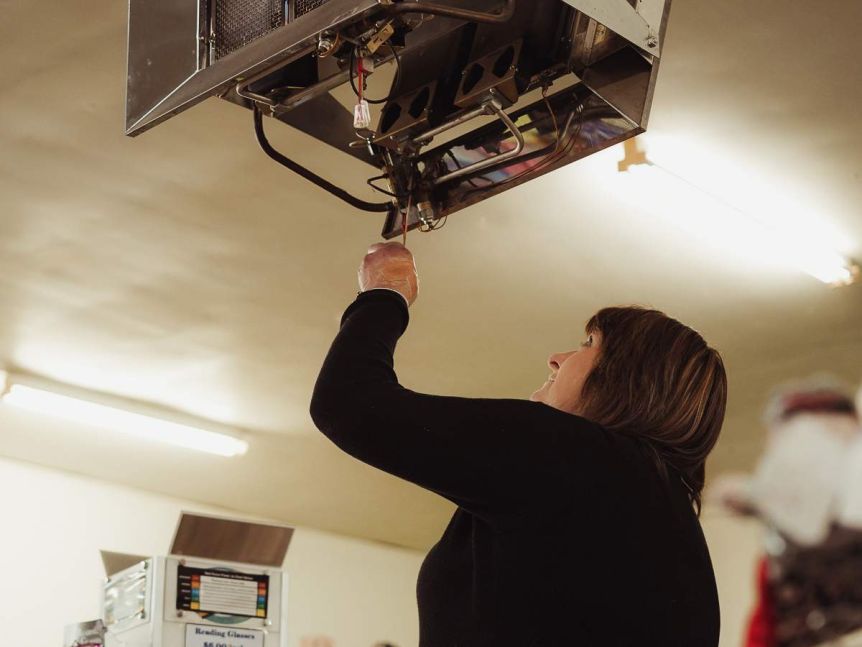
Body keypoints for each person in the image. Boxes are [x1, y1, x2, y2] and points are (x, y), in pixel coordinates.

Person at [310, 243, 728, 647]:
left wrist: (384, 294)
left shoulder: (576, 459)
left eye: (589, 344)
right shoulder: (667, 514)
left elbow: (349, 402)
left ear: (627, 377)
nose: (556, 357)